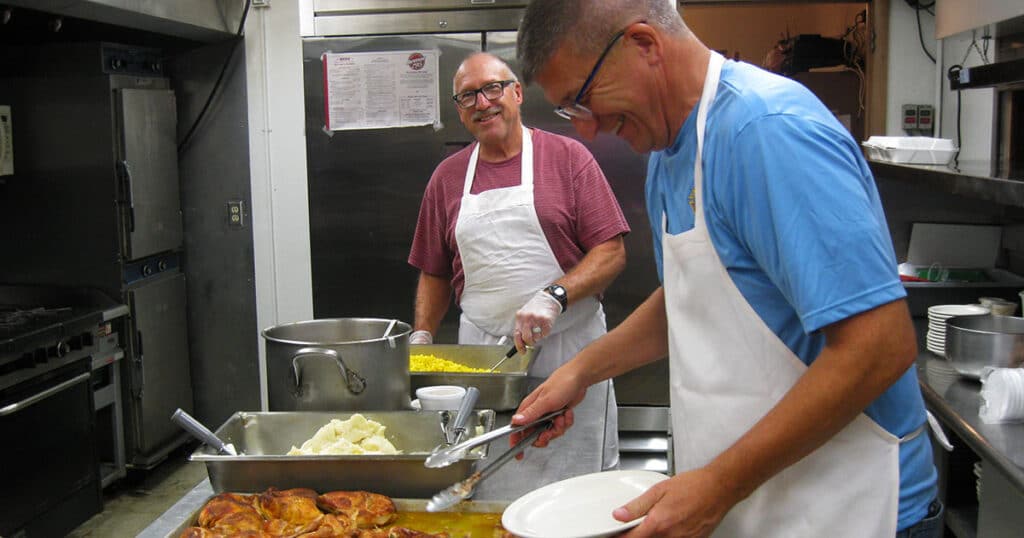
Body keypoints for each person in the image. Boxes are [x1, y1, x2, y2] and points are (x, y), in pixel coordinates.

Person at [510, 1, 941, 537]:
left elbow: (879, 347)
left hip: (851, 509)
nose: (590, 129)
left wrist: (717, 485)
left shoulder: (767, 131)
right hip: (759, 506)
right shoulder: (667, 152)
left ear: (644, 45)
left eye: (583, 100)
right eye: (570, 112)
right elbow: (695, 297)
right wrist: (579, 372)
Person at [406, 52, 630, 497]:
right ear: (459, 109)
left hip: (571, 353)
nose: (482, 102)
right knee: (490, 485)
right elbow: (433, 270)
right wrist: (422, 338)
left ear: (517, 93)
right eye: (468, 95)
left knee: (579, 492)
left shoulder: (568, 158)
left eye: (493, 88)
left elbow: (612, 252)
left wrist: (555, 296)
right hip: (486, 364)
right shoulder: (447, 178)